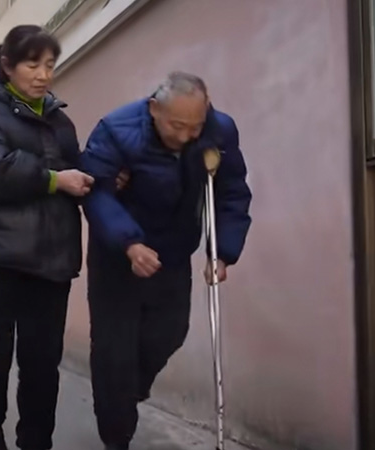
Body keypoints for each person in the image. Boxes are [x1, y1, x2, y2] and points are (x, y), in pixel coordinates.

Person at [79, 71, 253, 450]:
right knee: (113, 351)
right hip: (118, 257)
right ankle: (116, 436)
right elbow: (96, 192)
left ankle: (129, 390)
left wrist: (223, 252)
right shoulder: (116, 129)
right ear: (154, 108)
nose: (187, 136)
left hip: (173, 253)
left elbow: (231, 193)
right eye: (177, 126)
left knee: (171, 332)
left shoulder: (219, 132)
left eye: (196, 126)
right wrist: (129, 244)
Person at [0, 25, 95, 450]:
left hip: (49, 260)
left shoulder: (59, 121)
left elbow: (78, 171)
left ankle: (36, 441)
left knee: (42, 363)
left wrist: (106, 176)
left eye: (49, 65)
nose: (43, 74)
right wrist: (54, 180)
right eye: (33, 65)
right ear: (8, 65)